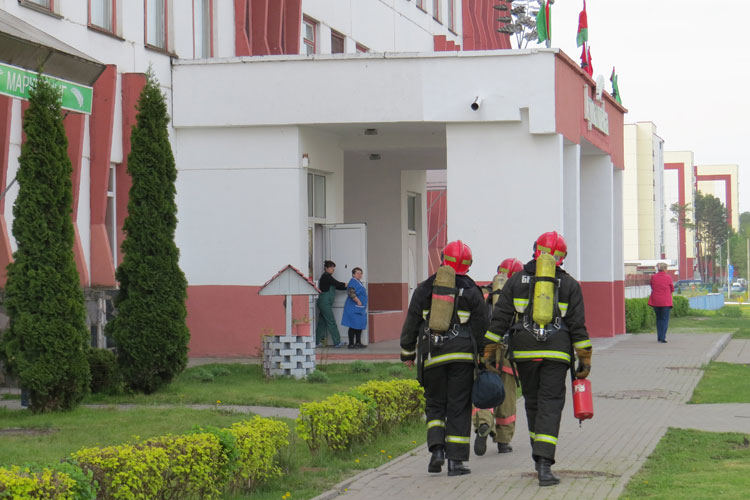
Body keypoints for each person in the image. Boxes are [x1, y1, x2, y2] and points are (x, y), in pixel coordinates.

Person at [485, 231, 592, 487]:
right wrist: (584, 358)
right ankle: (544, 464)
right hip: (556, 353)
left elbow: (500, 318)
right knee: (550, 405)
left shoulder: (516, 281)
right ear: (562, 258)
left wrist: (489, 350)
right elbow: (577, 326)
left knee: (532, 403)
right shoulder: (570, 284)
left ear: (535, 250)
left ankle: (537, 456)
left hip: (524, 352)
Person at [400, 240, 488, 477]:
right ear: (468, 264)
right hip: (462, 358)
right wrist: (484, 358)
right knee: (459, 406)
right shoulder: (472, 290)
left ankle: (437, 450)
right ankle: (455, 463)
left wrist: (407, 352)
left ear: (443, 260)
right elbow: (482, 327)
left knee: (435, 404)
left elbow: (412, 321)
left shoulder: (425, 288)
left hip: (433, 356)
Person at [473, 258, 523, 456]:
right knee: (507, 396)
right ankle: (503, 441)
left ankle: (484, 423)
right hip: (508, 352)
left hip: (486, 350)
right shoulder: (518, 296)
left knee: (485, 389)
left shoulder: (483, 293)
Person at [315, 260, 347, 348]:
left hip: (324, 303)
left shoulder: (327, 277)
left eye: (333, 267)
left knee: (322, 323)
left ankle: (316, 342)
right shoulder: (327, 276)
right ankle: (337, 342)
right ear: (326, 268)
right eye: (331, 267)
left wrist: (346, 287)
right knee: (331, 321)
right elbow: (337, 284)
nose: (333, 269)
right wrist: (347, 284)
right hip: (324, 303)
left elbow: (336, 286)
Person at [342, 267, 368, 349]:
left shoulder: (358, 282)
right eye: (357, 273)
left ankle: (358, 342)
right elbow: (351, 293)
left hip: (359, 308)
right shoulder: (352, 282)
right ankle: (351, 344)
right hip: (354, 307)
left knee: (359, 325)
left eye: (361, 273)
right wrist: (358, 301)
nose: (360, 275)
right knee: (353, 325)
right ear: (353, 274)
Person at [649, 262, 674, 344]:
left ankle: (659, 337)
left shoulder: (653, 277)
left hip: (655, 301)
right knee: (664, 319)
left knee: (658, 318)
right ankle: (663, 337)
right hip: (665, 301)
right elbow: (672, 288)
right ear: (665, 269)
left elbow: (652, 286)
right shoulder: (668, 277)